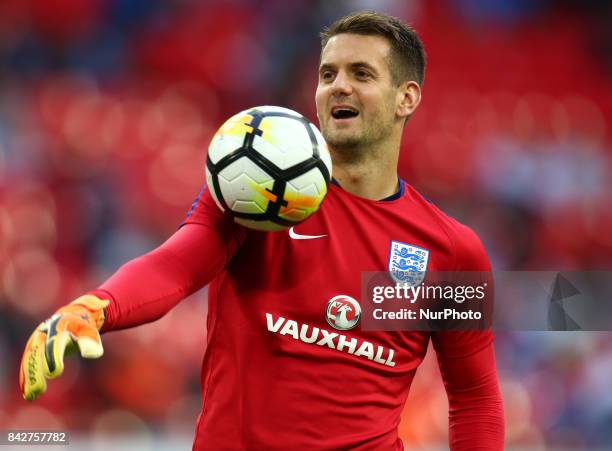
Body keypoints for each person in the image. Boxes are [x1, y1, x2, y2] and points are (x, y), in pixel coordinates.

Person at [20, 11, 504, 450]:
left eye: (361, 74)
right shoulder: (259, 191)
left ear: (407, 97)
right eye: (327, 74)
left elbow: (475, 396)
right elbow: (177, 264)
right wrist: (98, 306)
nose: (338, 86)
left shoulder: (451, 250)